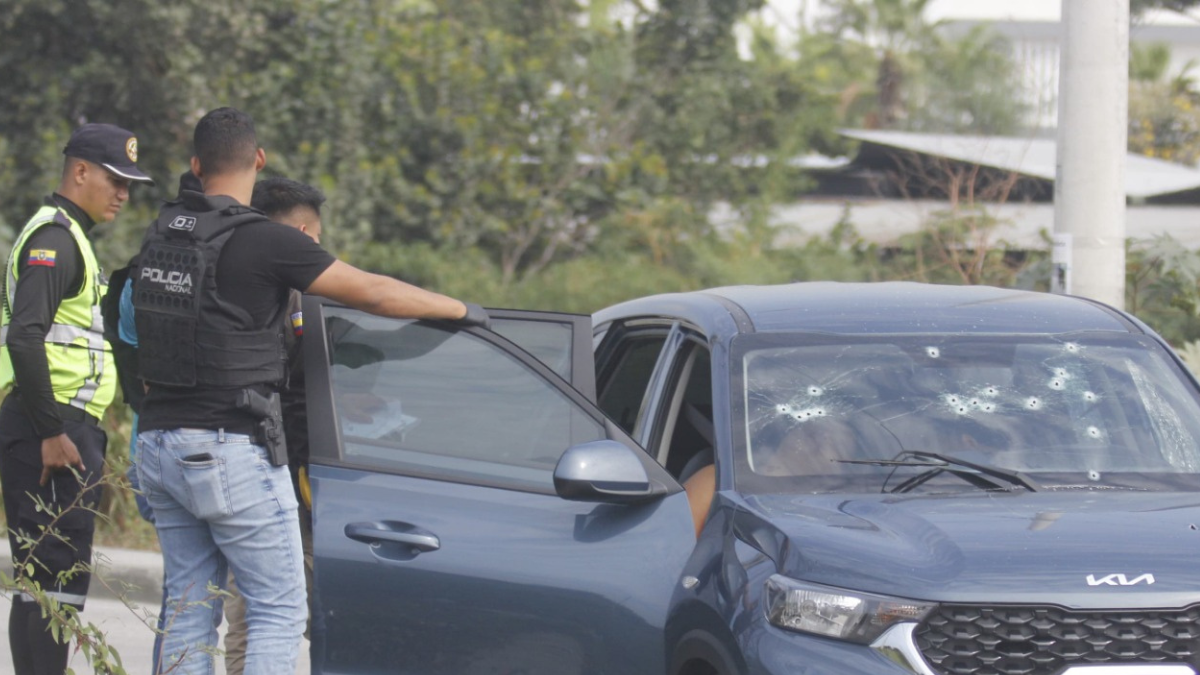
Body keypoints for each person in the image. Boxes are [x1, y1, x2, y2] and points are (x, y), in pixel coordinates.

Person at [131, 107, 488, 675]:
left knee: (188, 609)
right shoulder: (267, 241)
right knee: (278, 610)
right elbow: (370, 292)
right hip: (229, 447)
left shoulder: (160, 237)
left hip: (157, 444)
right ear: (259, 160)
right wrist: (463, 309)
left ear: (196, 166)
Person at [0, 123, 153, 675]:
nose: (123, 194)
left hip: (57, 424)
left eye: (130, 184)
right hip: (52, 429)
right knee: (51, 584)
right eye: (115, 179)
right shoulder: (56, 241)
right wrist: (50, 432)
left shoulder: (70, 239)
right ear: (80, 171)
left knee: (45, 585)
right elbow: (24, 335)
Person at [222, 176, 329, 675]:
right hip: (290, 477)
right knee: (291, 612)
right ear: (305, 234)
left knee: (244, 607)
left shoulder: (221, 283)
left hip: (225, 465)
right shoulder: (305, 301)